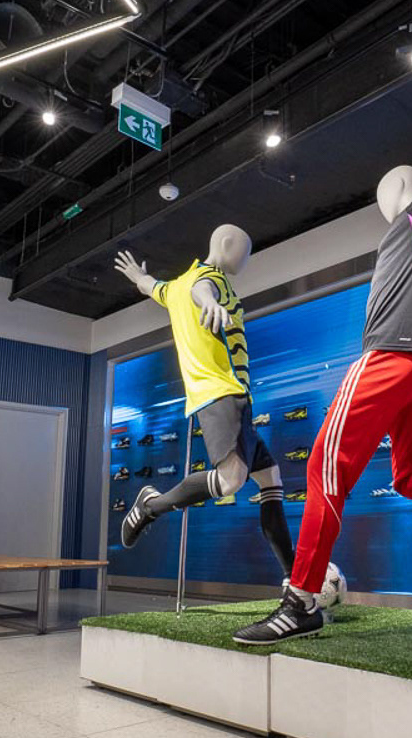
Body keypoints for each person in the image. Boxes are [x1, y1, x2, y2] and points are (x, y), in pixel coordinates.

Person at [232, 0, 412, 645]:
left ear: (405, 192)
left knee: (322, 468)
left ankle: (301, 601)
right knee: (411, 475)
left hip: (390, 357)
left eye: (392, 188)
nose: (388, 196)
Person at [113, 225, 295, 581]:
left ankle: (295, 579)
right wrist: (210, 303)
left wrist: (138, 277)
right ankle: (150, 506)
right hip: (221, 392)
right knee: (230, 481)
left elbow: (152, 287)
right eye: (245, 252)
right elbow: (203, 289)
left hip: (231, 396)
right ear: (225, 245)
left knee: (270, 479)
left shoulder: (174, 288)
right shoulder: (211, 279)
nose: (246, 260)